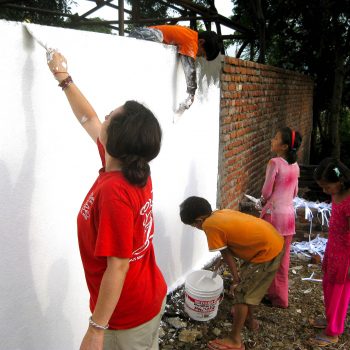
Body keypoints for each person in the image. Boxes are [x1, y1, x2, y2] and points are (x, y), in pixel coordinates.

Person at [46, 50, 167, 350]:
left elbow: (118, 266)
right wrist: (64, 79)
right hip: (147, 298)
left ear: (117, 139)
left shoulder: (115, 191)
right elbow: (88, 117)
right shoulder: (130, 165)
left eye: (111, 116)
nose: (105, 116)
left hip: (125, 318)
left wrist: (96, 329)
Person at [179, 196, 284, 350]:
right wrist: (226, 263)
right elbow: (230, 241)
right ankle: (249, 321)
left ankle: (235, 340)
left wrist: (236, 278)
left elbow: (226, 254)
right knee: (250, 291)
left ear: (199, 220)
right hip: (271, 241)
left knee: (241, 292)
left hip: (266, 252)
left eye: (194, 225)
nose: (196, 228)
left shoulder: (209, 225)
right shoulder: (219, 214)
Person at [129, 25, 221, 112]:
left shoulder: (190, 35)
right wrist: (191, 95)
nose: (198, 55)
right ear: (201, 42)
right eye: (202, 54)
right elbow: (189, 68)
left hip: (142, 32)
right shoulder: (191, 41)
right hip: (141, 33)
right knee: (159, 36)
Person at [309, 158, 350, 347]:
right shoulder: (338, 194)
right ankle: (330, 318)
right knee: (328, 286)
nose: (325, 191)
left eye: (327, 187)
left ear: (340, 182)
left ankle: (334, 331)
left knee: (339, 293)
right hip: (333, 249)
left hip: (346, 256)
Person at [259, 127, 302, 308]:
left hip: (273, 216)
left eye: (275, 138)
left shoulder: (274, 163)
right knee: (283, 259)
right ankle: (282, 298)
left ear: (284, 146)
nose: (272, 140)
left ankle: (267, 293)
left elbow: (266, 192)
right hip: (289, 217)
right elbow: (295, 193)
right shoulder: (295, 166)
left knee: (268, 256)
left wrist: (262, 202)